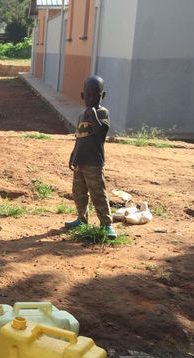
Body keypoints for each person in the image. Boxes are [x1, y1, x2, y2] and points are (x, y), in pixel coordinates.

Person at [65, 75, 116, 239]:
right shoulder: (81, 115)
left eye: (96, 95)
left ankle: (106, 224)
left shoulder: (102, 113)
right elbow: (79, 136)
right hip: (80, 160)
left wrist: (93, 114)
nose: (91, 99)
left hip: (94, 163)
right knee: (78, 192)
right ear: (82, 96)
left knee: (98, 193)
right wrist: (73, 154)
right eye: (88, 95)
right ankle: (81, 218)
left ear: (103, 96)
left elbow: (101, 133)